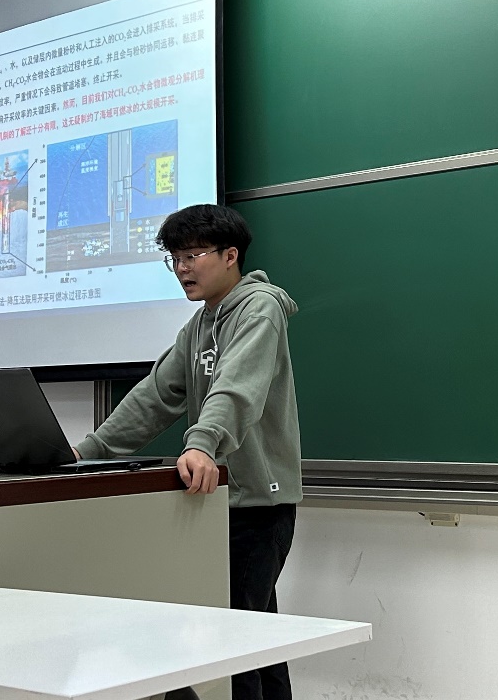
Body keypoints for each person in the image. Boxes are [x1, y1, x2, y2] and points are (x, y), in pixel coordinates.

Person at [73, 203, 302, 700]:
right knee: (257, 636)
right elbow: (153, 397)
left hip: (257, 505)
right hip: (218, 503)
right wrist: (87, 453)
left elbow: (236, 389)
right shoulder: (199, 325)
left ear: (230, 255)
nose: (182, 268)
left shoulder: (259, 309)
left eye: (193, 255)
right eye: (175, 258)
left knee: (237, 642)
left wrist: (202, 443)